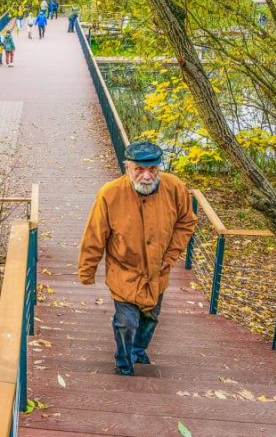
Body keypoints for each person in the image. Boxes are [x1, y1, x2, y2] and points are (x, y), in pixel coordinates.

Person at [78, 141, 197, 376]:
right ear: (127, 168)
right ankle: (124, 361)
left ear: (158, 168)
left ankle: (139, 349)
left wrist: (171, 255)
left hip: (157, 271)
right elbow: (95, 234)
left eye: (152, 169)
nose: (146, 175)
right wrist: (87, 271)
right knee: (127, 322)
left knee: (151, 318)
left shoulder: (174, 188)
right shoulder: (110, 194)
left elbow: (187, 222)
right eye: (139, 169)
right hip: (124, 271)